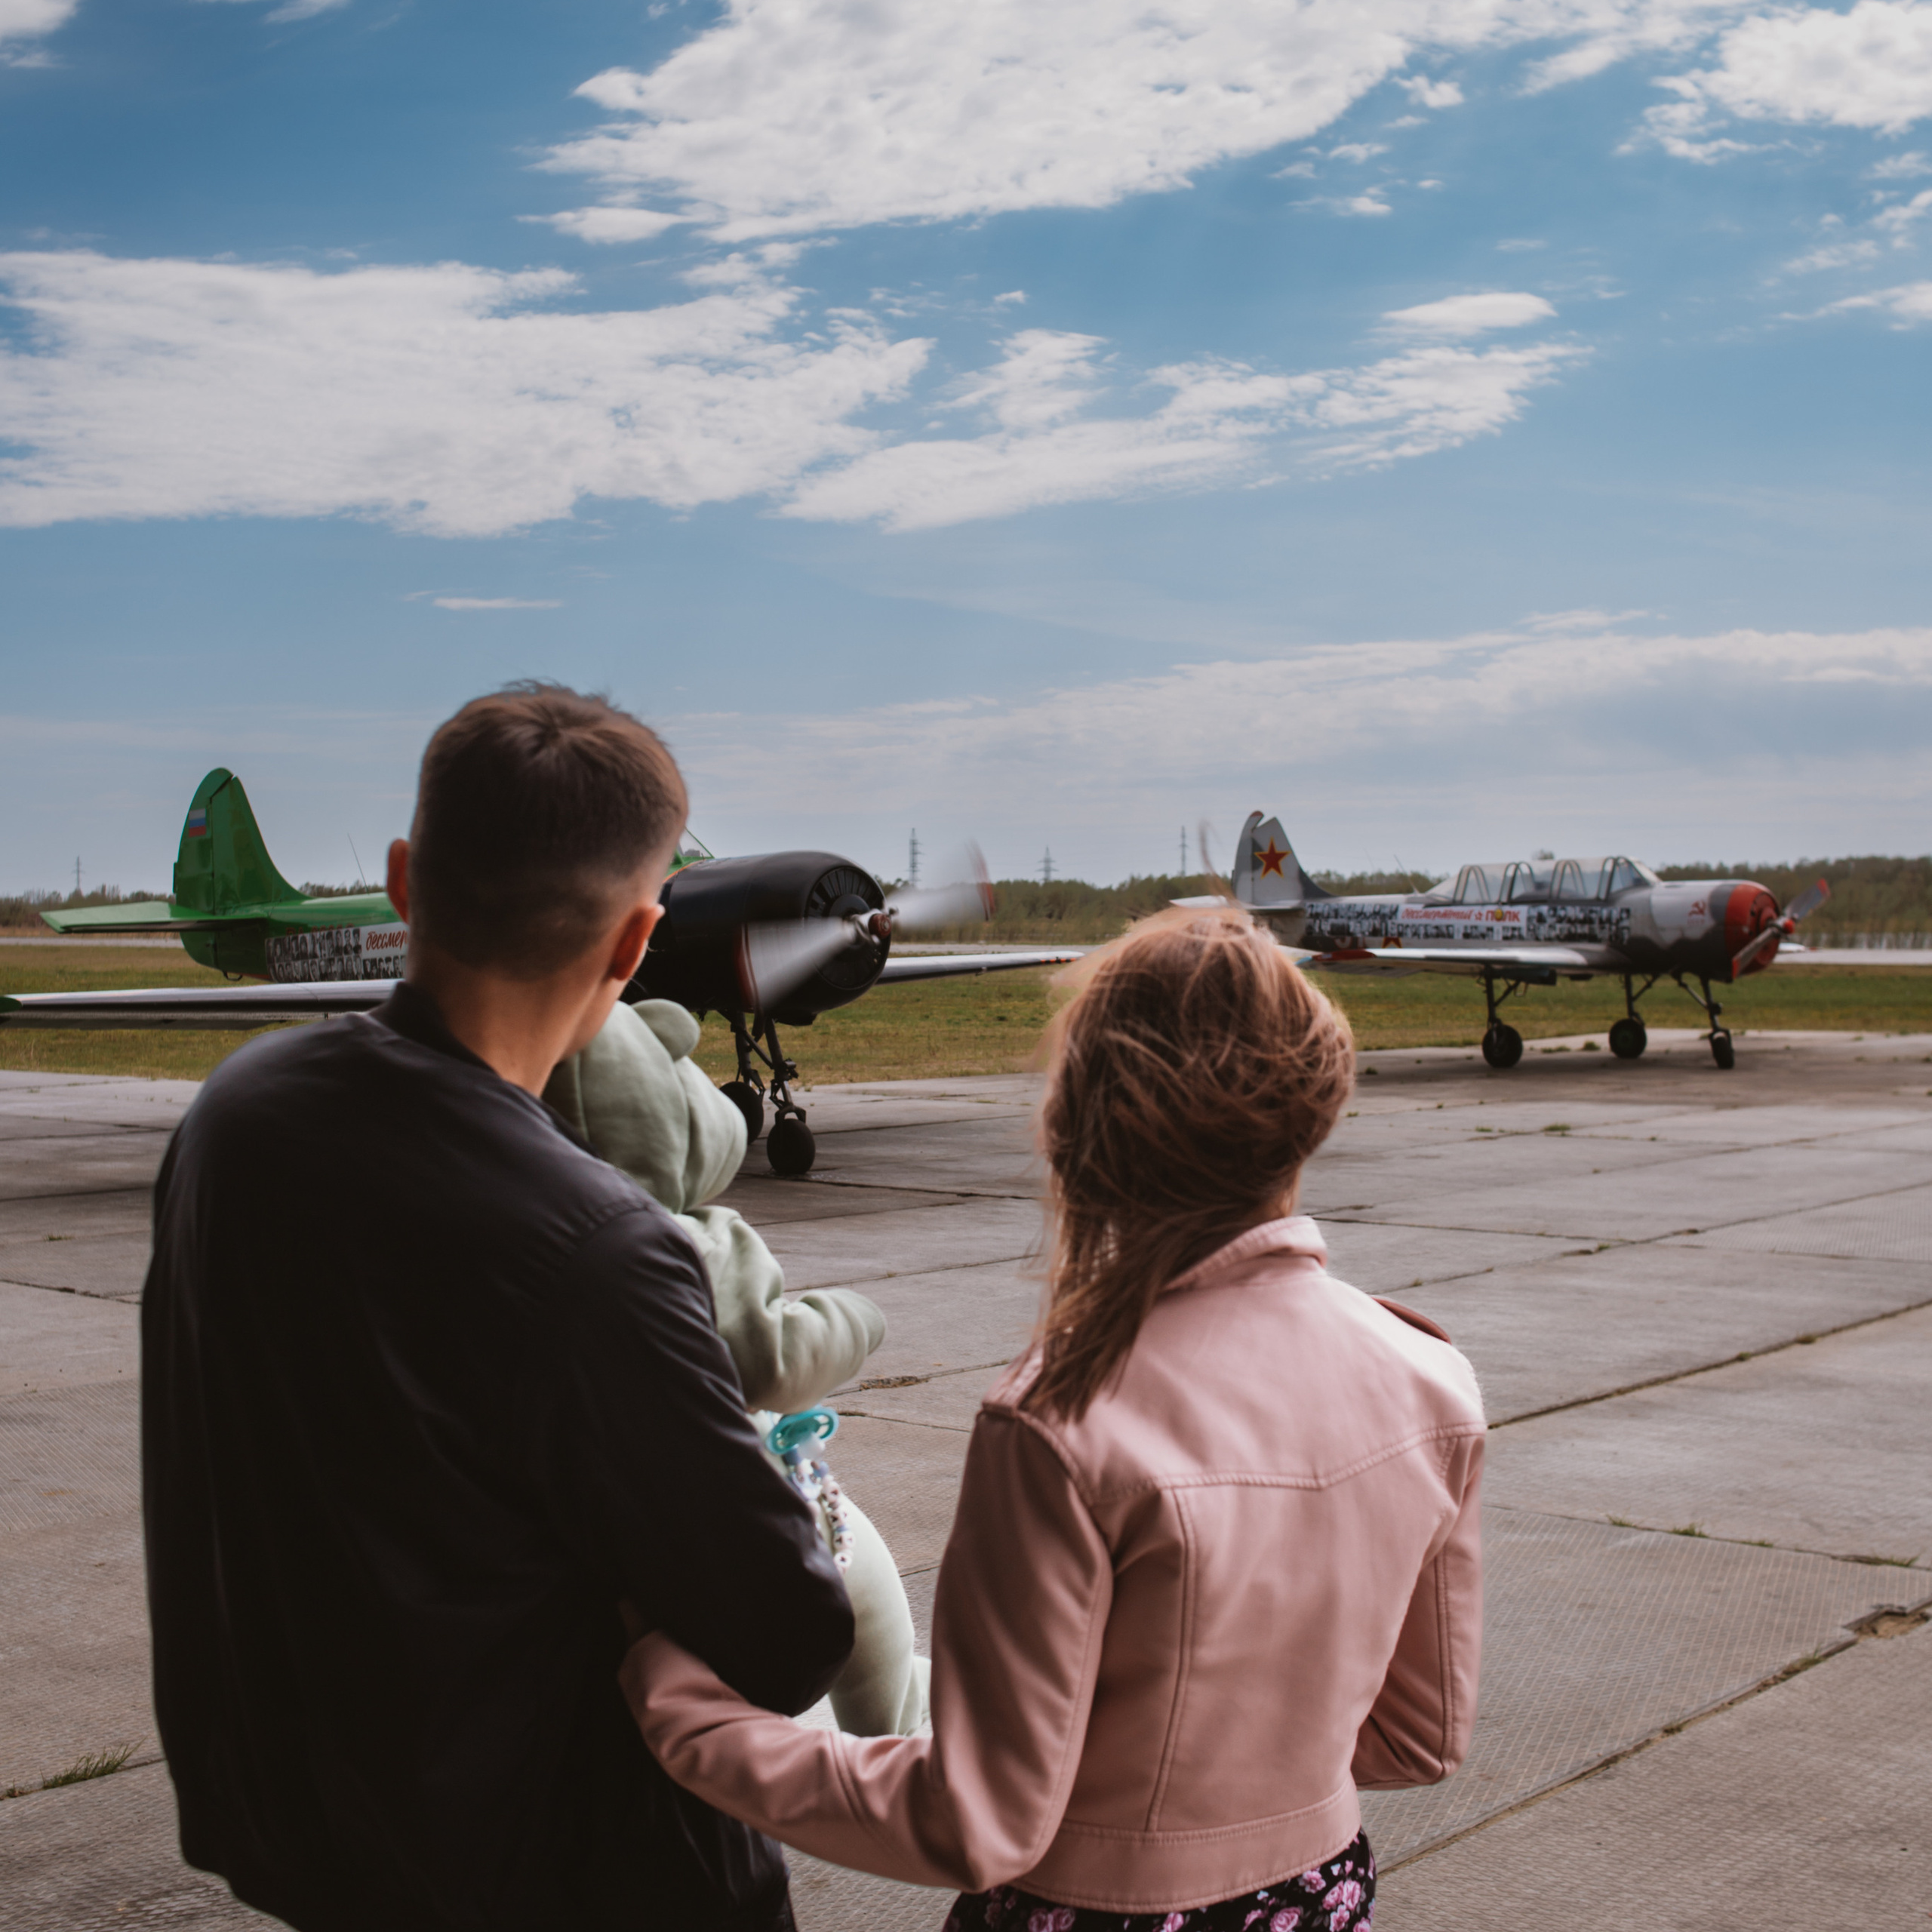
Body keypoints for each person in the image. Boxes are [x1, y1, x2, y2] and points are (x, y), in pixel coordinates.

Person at [619, 906, 1486, 1931]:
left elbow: (981, 1823)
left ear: (1082, 1127)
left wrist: (690, 1716)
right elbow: (1419, 1738)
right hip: (1318, 1895)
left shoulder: (1059, 1423)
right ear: (1317, 1103)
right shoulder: (1432, 1376)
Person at [143, 685, 853, 1932]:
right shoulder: (601, 1248)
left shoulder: (234, 1115)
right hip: (567, 1878)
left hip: (320, 1841)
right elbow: (789, 1631)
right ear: (637, 947)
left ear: (405, 877)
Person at [546, 998, 930, 1737]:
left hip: (601, 1501)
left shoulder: (523, 1231)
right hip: (742, 1480)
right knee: (862, 1580)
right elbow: (778, 1361)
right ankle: (896, 1719)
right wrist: (855, 1319)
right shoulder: (689, 1244)